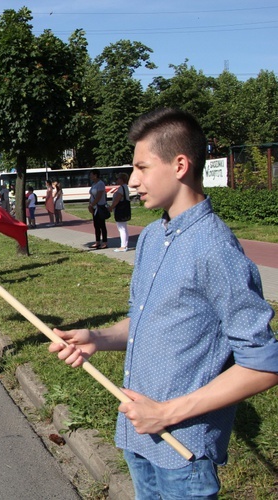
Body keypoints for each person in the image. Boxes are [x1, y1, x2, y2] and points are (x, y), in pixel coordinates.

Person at [49, 108, 278, 498]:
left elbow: (264, 364)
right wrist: (98, 338)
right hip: (138, 438)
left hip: (182, 451)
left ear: (180, 165)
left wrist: (167, 413)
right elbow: (147, 321)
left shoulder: (215, 249)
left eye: (141, 167)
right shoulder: (154, 236)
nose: (133, 181)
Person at [109, 172, 131, 252]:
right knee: (124, 227)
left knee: (121, 228)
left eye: (118, 179)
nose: (117, 180)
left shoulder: (121, 188)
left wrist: (111, 207)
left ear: (121, 180)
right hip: (125, 210)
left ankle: (123, 246)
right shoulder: (126, 187)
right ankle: (125, 244)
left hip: (120, 210)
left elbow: (117, 200)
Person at [88, 169, 108, 249]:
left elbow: (99, 196)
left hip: (99, 207)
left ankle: (105, 242)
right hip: (94, 207)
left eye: (91, 175)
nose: (90, 176)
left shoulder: (100, 184)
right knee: (96, 225)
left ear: (96, 175)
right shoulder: (94, 184)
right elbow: (92, 195)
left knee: (102, 225)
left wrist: (92, 204)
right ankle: (97, 241)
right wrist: (90, 205)